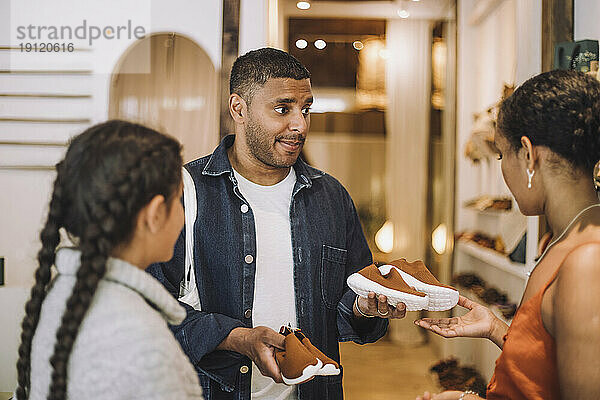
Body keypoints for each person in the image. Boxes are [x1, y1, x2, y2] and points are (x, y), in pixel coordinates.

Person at [148, 47, 405, 400]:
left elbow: (348, 311)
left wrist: (365, 307)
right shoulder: (184, 192)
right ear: (239, 109)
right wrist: (238, 338)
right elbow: (149, 310)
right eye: (283, 109)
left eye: (306, 109)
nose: (299, 124)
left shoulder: (331, 197)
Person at [415, 70, 600, 399]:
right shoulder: (561, 238)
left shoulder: (588, 261)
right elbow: (544, 366)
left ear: (528, 154)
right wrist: (495, 328)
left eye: (501, 155)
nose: (502, 168)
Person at [14, 121, 203, 400]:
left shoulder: (62, 296)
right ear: (154, 215)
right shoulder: (142, 342)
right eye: (178, 201)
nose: (183, 215)